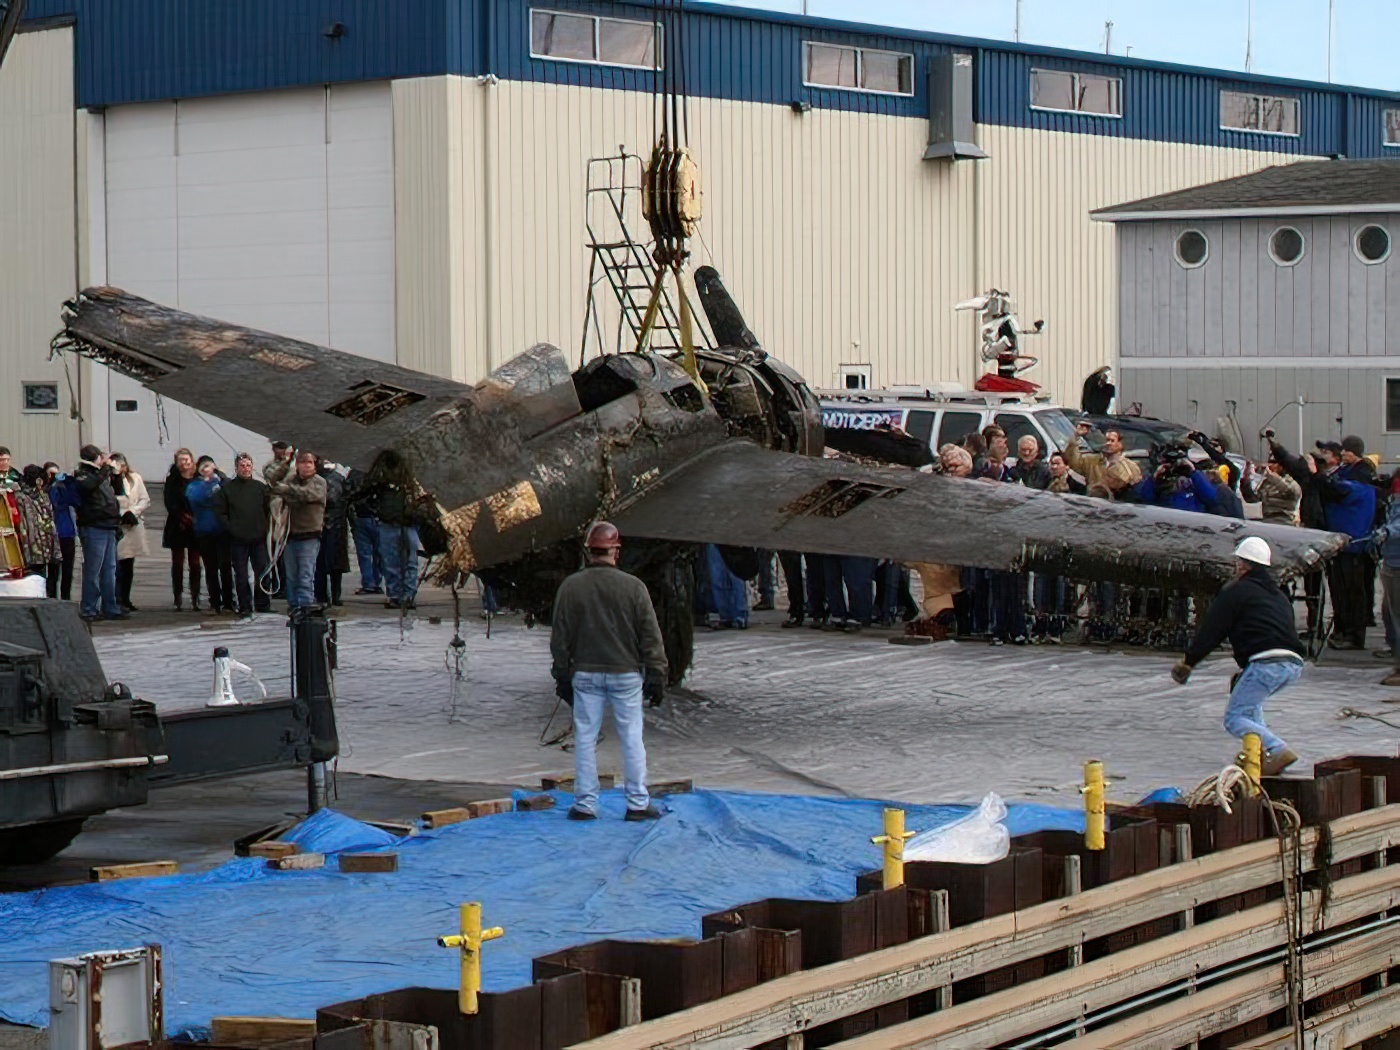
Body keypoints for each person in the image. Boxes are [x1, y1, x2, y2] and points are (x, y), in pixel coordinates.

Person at [549, 521, 666, 822]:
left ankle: (585, 805)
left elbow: (560, 637)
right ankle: (638, 803)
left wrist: (561, 673)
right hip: (625, 673)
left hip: (585, 673)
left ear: (588, 552)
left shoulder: (571, 587)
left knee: (585, 738)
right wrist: (656, 672)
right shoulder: (634, 587)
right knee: (631, 737)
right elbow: (650, 635)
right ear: (616, 550)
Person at [1171, 537, 1304, 776]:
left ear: (1243, 565)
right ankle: (1260, 753)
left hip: (1266, 662)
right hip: (1292, 663)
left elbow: (1213, 629)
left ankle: (1278, 748)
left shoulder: (1236, 592)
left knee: (1235, 717)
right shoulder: (1278, 594)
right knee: (1250, 707)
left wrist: (1189, 662)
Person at [267, 450, 328, 611]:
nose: (306, 466)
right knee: (291, 576)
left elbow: (307, 495)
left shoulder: (319, 482)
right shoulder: (291, 479)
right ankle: (293, 606)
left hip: (309, 535)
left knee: (305, 575)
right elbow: (272, 480)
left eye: (309, 462)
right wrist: (286, 462)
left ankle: (305, 606)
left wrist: (287, 491)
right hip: (290, 535)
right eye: (303, 462)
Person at [361, 450, 421, 610]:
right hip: (389, 524)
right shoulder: (381, 480)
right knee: (391, 562)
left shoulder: (412, 481)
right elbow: (365, 494)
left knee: (409, 562)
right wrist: (379, 512)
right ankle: (396, 595)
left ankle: (408, 595)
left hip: (408, 524)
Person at [216, 452, 272, 620]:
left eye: (248, 465)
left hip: (258, 538)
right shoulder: (227, 489)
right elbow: (220, 513)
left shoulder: (260, 488)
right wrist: (231, 529)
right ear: (236, 468)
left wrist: (265, 528)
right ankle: (244, 606)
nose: (246, 468)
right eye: (242, 466)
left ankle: (262, 604)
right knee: (241, 574)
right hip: (237, 539)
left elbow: (268, 510)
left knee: (262, 571)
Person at [74, 445, 123, 622]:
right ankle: (88, 607)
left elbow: (118, 492)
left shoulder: (101, 476)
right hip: (94, 526)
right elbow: (89, 487)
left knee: (110, 569)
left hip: (108, 526)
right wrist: (106, 469)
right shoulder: (83, 475)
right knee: (93, 569)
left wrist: (116, 475)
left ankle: (110, 606)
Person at [185, 456, 234, 614]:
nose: (207, 469)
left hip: (222, 530)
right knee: (210, 567)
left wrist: (219, 482)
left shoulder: (222, 483)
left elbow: (229, 499)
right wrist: (209, 486)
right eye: (203, 467)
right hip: (204, 530)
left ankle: (228, 601)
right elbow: (196, 499)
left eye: (209, 466)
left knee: (225, 566)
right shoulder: (194, 486)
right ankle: (215, 601)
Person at [1368, 471, 1400, 687]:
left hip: (1398, 565)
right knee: (1390, 616)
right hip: (1392, 561)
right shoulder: (1392, 501)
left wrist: (1387, 532)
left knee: (1397, 617)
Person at [162, 448, 203, 610]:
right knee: (177, 562)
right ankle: (177, 596)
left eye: (187, 460)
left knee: (195, 562)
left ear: (192, 461)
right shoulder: (173, 479)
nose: (184, 463)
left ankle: (195, 596)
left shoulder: (198, 478)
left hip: (196, 523)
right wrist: (182, 516)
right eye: (181, 460)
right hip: (177, 524)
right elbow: (169, 501)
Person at [110, 453, 149, 612]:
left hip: (132, 524)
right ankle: (116, 598)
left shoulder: (135, 478)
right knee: (116, 565)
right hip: (117, 524)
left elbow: (144, 498)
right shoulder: (109, 481)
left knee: (128, 564)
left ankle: (125, 598)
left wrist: (132, 511)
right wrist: (121, 513)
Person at [1064, 421, 1142, 496]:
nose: (1108, 443)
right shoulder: (1092, 460)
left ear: (1120, 444)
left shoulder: (1131, 466)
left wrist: (1116, 461)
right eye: (1106, 440)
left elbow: (1123, 481)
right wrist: (1076, 436)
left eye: (1112, 441)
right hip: (1093, 501)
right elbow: (1073, 462)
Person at [14, 466, 59, 585]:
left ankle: (51, 596)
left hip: (46, 538)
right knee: (36, 574)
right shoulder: (21, 496)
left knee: (52, 572)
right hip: (32, 540)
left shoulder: (42, 494)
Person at [315, 457, 349, 607]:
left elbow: (343, 499)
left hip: (336, 525)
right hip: (320, 524)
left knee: (334, 565)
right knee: (320, 563)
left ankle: (334, 596)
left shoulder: (338, 478)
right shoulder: (314, 478)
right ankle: (323, 596)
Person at [345, 466, 383, 596]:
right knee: (379, 553)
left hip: (360, 517)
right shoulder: (380, 473)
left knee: (364, 553)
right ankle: (376, 581)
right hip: (378, 517)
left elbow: (348, 494)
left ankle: (368, 583)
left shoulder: (354, 473)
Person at [44, 462, 78, 600]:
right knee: (53, 571)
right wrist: (51, 486)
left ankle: (66, 597)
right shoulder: (46, 490)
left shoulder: (64, 488)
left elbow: (73, 500)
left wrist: (66, 483)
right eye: (51, 473)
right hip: (53, 533)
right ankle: (51, 597)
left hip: (67, 533)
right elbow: (54, 504)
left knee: (68, 570)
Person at [1241, 456, 1301, 525]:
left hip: (1284, 518)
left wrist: (1272, 476)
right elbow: (1252, 499)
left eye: (1275, 463)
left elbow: (1289, 491)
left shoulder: (1292, 481)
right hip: (1267, 517)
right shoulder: (1268, 482)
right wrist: (1246, 479)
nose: (1271, 466)